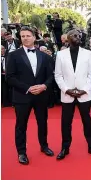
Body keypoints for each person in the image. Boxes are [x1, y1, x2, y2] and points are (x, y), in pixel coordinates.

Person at [6, 26, 54, 165]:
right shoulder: (14, 55)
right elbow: (10, 77)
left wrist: (44, 86)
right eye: (23, 36)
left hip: (41, 96)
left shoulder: (44, 56)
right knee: (21, 125)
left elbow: (51, 75)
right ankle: (21, 152)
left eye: (28, 35)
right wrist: (28, 88)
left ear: (34, 37)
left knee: (42, 122)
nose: (25, 38)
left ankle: (44, 146)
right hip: (22, 96)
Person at [54, 29, 91, 160]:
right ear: (68, 38)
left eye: (79, 35)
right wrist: (66, 90)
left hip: (84, 95)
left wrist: (85, 90)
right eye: (74, 35)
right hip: (67, 94)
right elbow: (58, 75)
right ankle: (65, 148)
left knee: (87, 122)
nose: (78, 37)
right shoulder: (60, 54)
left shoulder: (88, 54)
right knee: (65, 123)